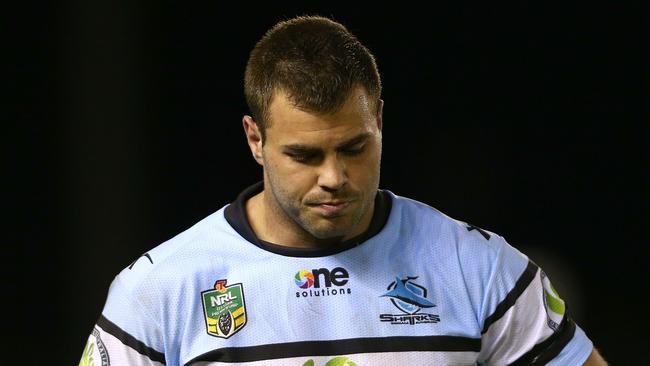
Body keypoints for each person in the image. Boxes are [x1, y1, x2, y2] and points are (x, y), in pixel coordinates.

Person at [78, 15, 608, 366]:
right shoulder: (159, 290)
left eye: (354, 147)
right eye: (305, 155)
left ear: (379, 120)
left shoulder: (477, 267)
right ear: (255, 139)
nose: (334, 176)